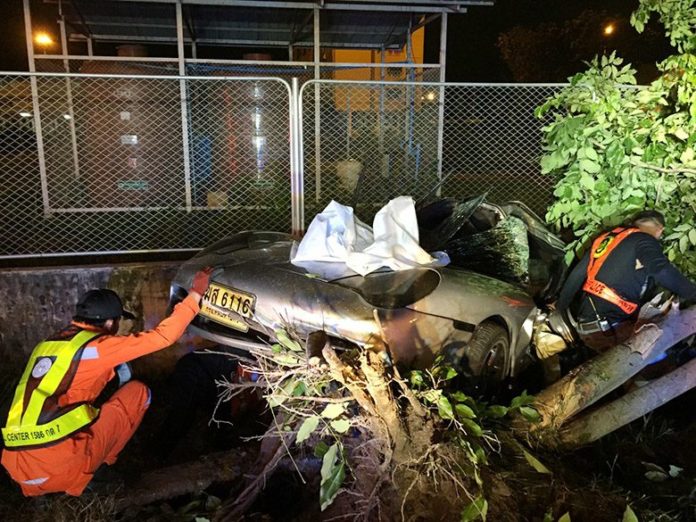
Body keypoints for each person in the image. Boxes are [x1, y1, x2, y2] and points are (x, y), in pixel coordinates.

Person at [0, 267, 213, 497]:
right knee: (138, 393)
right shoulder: (99, 348)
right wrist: (195, 295)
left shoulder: (48, 345)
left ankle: (49, 485)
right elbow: (164, 336)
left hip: (19, 469)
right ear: (110, 323)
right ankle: (100, 469)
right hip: (61, 466)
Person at [556, 210, 696, 351]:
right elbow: (661, 270)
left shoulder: (608, 238)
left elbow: (577, 275)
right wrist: (692, 293)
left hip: (587, 327)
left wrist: (561, 310)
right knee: (665, 360)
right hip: (609, 331)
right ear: (660, 229)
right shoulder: (644, 239)